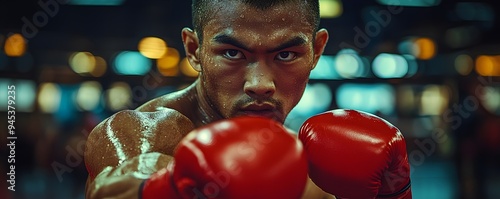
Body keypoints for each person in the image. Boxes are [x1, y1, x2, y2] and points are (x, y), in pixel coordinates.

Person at [84, 0, 411, 198]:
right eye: (232, 52)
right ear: (194, 50)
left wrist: (393, 194)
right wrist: (169, 189)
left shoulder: (314, 154)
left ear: (317, 51)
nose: (260, 83)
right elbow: (109, 189)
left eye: (285, 54)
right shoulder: (147, 131)